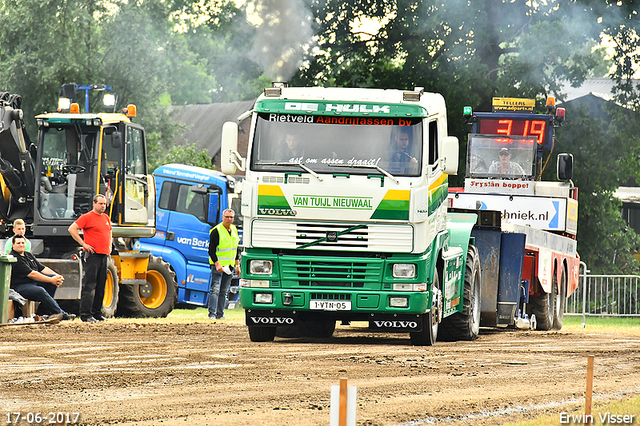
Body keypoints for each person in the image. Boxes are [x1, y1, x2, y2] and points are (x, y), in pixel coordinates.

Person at [68, 194, 112, 323]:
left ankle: (97, 313)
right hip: (92, 255)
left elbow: (109, 231)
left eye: (104, 204)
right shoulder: (87, 217)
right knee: (90, 285)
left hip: (104, 255)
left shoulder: (106, 218)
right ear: (94, 204)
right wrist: (83, 244)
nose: (103, 206)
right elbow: (72, 229)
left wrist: (109, 245)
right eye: (100, 203)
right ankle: (86, 314)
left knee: (101, 285)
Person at [9, 235, 75, 321]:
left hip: (32, 283)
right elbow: (32, 274)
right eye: (18, 243)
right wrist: (52, 280)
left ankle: (43, 312)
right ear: (13, 245)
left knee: (51, 279)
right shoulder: (15, 258)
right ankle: (62, 314)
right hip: (20, 286)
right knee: (40, 290)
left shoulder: (28, 254)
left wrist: (57, 277)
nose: (21, 245)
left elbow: (43, 268)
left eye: (23, 243)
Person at [207, 208, 240, 320]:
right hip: (219, 266)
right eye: (227, 217)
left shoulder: (234, 230)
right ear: (223, 218)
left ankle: (220, 314)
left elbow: (235, 249)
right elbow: (211, 250)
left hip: (229, 266)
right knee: (215, 289)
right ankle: (212, 314)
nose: (229, 219)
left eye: (231, 217)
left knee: (224, 291)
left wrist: (237, 265)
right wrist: (217, 264)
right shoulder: (216, 230)